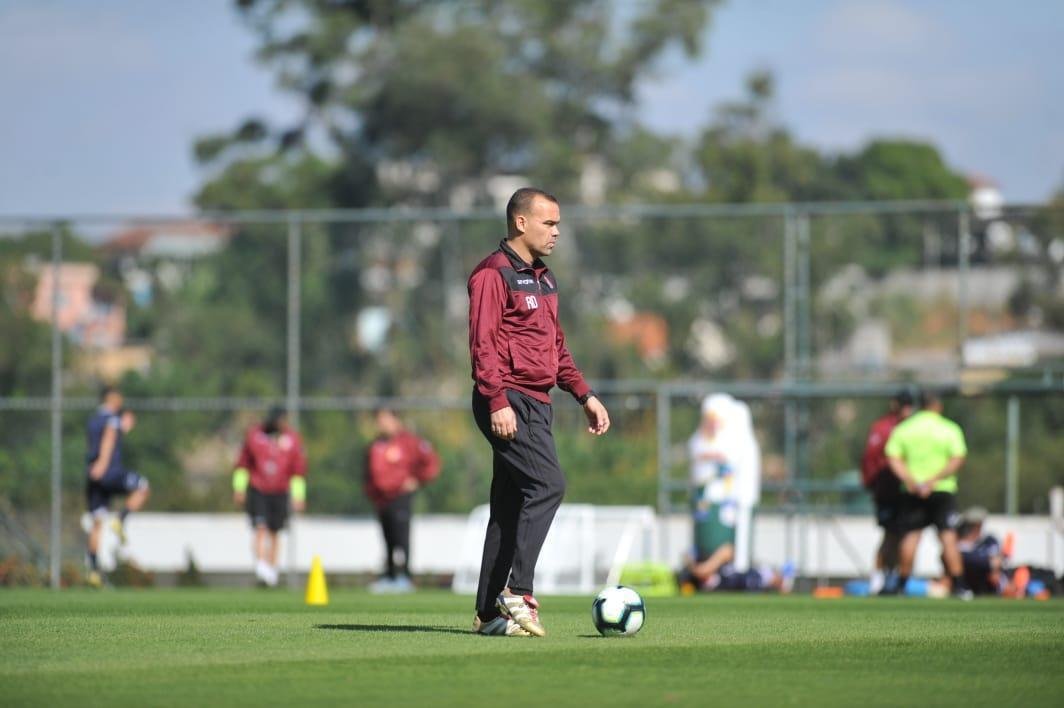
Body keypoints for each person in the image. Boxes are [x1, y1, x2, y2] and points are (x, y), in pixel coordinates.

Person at [468, 187, 610, 637]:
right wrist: (496, 400)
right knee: (548, 485)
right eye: (549, 223)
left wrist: (583, 394)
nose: (556, 232)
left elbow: (556, 347)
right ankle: (518, 592)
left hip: (538, 402)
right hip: (509, 400)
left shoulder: (544, 278)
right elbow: (483, 344)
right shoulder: (492, 274)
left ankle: (489, 614)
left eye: (559, 224)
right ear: (520, 223)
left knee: (509, 507)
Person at [885, 392, 971, 599]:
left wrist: (911, 481)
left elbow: (892, 457)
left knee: (911, 537)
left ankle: (901, 584)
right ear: (938, 406)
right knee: (948, 537)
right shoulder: (948, 428)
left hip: (913, 491)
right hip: (942, 489)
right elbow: (958, 458)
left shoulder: (905, 429)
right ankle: (960, 586)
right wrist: (935, 480)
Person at [363, 407, 441, 593]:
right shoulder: (376, 445)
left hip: (400, 496)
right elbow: (368, 473)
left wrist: (417, 480)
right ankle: (389, 576)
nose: (381, 424)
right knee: (387, 538)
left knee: (401, 536)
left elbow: (431, 463)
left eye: (385, 419)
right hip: (381, 499)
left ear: (395, 420)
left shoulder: (409, 442)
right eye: (379, 420)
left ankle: (405, 576)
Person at [232, 406, 307, 587]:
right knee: (260, 527)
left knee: (275, 532)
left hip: (280, 491)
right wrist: (239, 488)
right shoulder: (255, 436)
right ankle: (261, 566)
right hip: (259, 489)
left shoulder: (292, 440)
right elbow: (243, 464)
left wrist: (299, 496)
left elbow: (298, 470)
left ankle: (271, 572)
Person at [84, 385, 149, 588]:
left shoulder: (93, 420)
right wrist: (104, 463)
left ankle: (94, 570)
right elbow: (110, 438)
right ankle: (121, 519)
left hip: (92, 475)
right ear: (111, 398)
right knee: (142, 486)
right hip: (109, 471)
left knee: (97, 522)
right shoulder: (112, 418)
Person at [860, 388, 917, 594]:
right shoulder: (883, 428)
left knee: (905, 536)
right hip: (888, 491)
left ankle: (894, 579)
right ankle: (878, 579)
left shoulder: (913, 427)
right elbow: (870, 459)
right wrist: (871, 483)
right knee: (890, 535)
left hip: (910, 492)